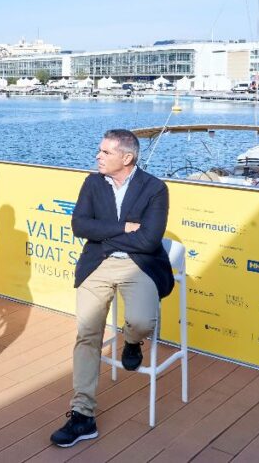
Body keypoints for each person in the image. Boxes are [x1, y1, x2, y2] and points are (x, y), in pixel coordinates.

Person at [50, 129, 175, 448]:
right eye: (100, 151)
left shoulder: (155, 188)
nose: (98, 156)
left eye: (105, 152)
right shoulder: (92, 183)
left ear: (127, 158)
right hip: (98, 263)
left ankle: (132, 342)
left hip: (140, 264)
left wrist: (103, 232)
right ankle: (82, 415)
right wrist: (123, 228)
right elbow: (80, 226)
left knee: (143, 322)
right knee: (87, 333)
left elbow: (148, 240)